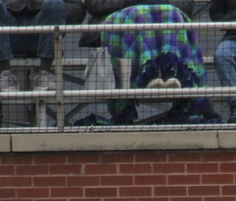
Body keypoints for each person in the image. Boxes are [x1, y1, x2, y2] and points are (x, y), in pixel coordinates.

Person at [79, 2, 219, 125]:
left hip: (163, 14)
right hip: (121, 19)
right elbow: (95, 4)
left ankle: (169, 75)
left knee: (170, 13)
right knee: (138, 14)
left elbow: (186, 4)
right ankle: (149, 76)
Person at [0, 0, 85, 91]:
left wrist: (53, 11)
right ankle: (4, 74)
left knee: (56, 4)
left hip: (42, 34)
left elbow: (77, 9)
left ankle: (44, 74)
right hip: (5, 34)